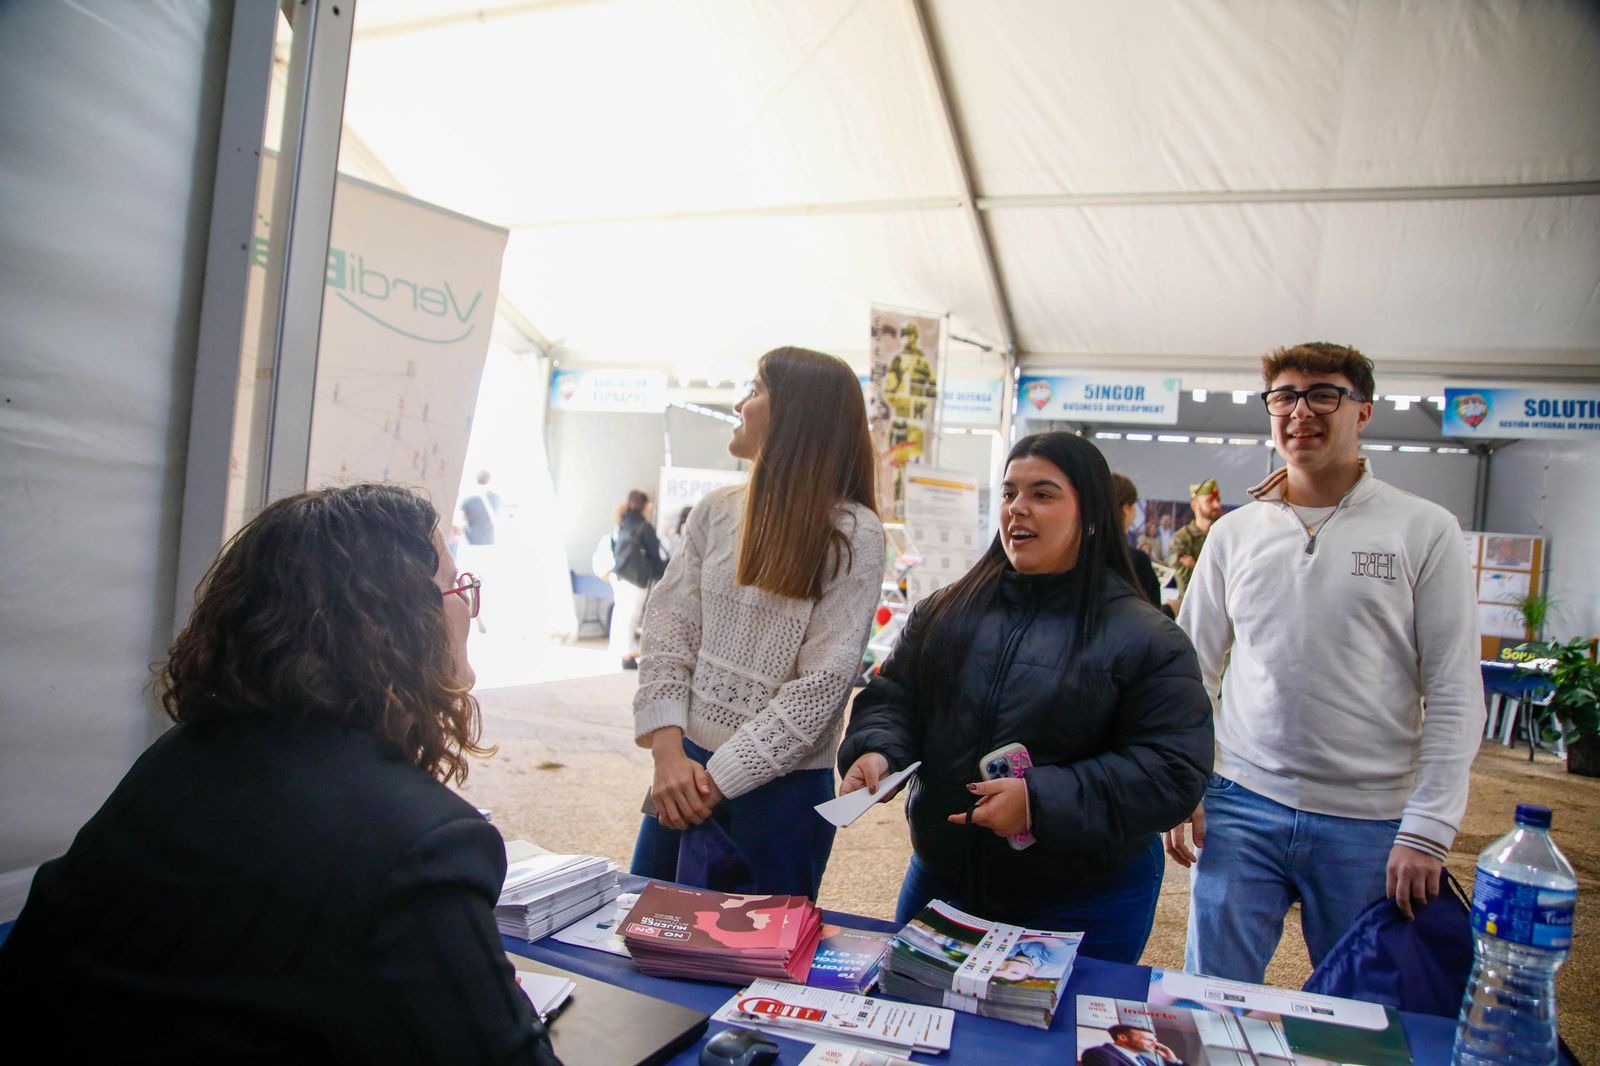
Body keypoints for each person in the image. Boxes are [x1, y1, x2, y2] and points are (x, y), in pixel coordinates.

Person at [0, 484, 560, 1064]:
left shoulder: (177, 759)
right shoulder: (422, 841)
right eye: (456, 587)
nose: (467, 608)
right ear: (402, 625)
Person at [1165, 342, 1482, 983]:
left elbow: (1452, 688)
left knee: (1362, 1019)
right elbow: (1188, 671)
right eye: (1283, 397)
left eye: (1323, 395)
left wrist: (1428, 826)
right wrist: (1182, 785)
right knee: (1209, 1001)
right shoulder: (1234, 533)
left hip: (1371, 822)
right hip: (1241, 803)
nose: (1299, 411)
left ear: (1362, 412)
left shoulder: (1423, 529)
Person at [837, 431, 1212, 964]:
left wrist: (1041, 801)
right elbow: (893, 698)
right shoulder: (945, 611)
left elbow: (1172, 768)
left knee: (1044, 1046)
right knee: (914, 1019)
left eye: (1042, 494)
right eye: (1010, 494)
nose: (1018, 510)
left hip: (1085, 899)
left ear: (1091, 513)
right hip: (944, 877)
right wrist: (877, 750)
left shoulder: (1148, 638)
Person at [630, 346, 884, 899]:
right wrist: (669, 754)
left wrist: (712, 783)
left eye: (755, 389)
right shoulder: (715, 511)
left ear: (796, 413)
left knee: (749, 970)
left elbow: (822, 686)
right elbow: (667, 628)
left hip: (779, 794)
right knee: (644, 938)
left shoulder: (854, 533)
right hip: (683, 770)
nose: (741, 404)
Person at [609, 490, 668, 670]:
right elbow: (655, 554)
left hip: (620, 573)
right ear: (645, 506)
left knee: (621, 613)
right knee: (631, 615)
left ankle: (618, 651)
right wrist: (663, 573)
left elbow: (613, 547)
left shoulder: (622, 523)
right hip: (637, 577)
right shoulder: (644, 527)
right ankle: (627, 655)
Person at [1110, 472, 1170, 616]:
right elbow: (1152, 616)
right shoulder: (1135, 561)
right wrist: (1170, 610)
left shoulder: (1082, 554)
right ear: (1126, 509)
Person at [1166, 477, 1221, 597]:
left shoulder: (1223, 536)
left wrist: (1195, 566)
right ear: (1195, 505)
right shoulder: (1181, 539)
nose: (1217, 504)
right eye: (1210, 500)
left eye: (1218, 499)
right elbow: (1186, 581)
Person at [1081, 1024, 1187, 1066]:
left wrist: (1172, 1060)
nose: (1156, 1044)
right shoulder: (1098, 1053)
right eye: (1149, 1040)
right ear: (1123, 1038)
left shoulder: (1146, 1061)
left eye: (1155, 1040)